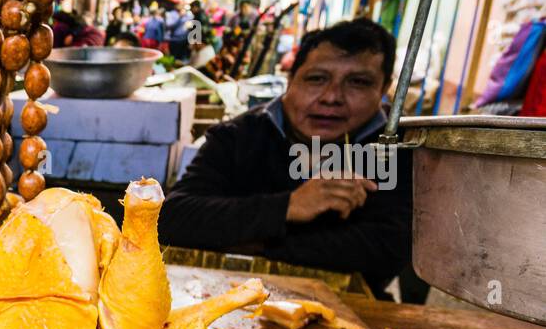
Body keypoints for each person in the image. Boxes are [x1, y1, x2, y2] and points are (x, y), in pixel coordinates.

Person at [159, 18, 412, 298]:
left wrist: (253, 241)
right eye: (316, 79)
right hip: (225, 301)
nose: (331, 97)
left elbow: (385, 253)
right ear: (290, 78)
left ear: (385, 88)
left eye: (358, 83)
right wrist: (289, 206)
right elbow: (174, 219)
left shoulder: (395, 152)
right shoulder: (238, 136)